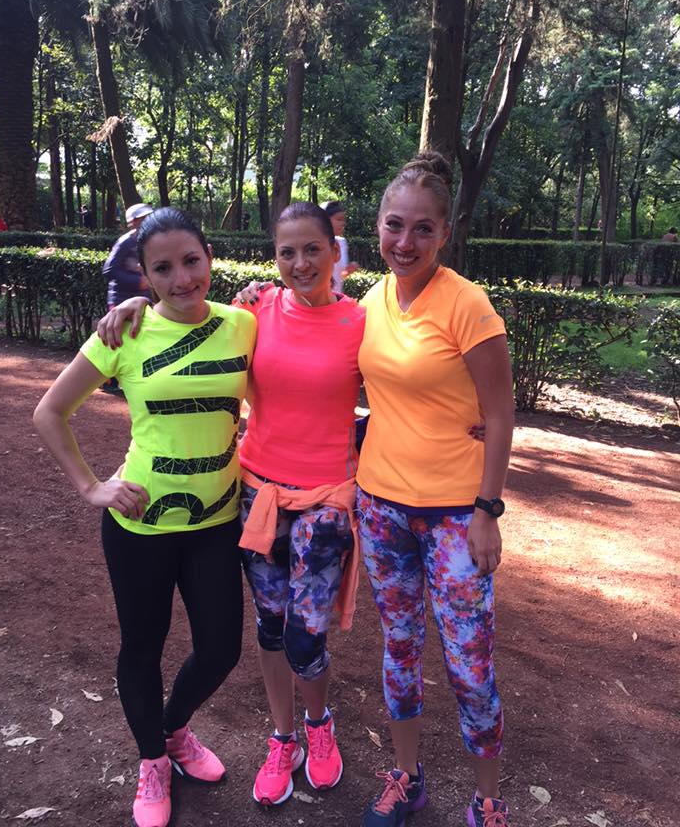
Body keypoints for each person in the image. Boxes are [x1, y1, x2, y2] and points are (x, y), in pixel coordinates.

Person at [97, 202, 367, 809]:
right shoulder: (255, 312)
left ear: (335, 252)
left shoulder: (362, 320)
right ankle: (282, 738)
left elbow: (404, 385)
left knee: (306, 634)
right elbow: (185, 315)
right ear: (274, 259)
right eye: (287, 252)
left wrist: (466, 421)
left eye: (313, 249)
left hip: (325, 501)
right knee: (270, 628)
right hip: (258, 494)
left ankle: (319, 726)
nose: (301, 262)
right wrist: (134, 303)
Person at [33, 207, 256, 827]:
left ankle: (174, 730)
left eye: (191, 261)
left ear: (209, 257)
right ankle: (153, 759)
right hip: (140, 526)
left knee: (220, 650)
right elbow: (49, 412)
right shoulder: (125, 333)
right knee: (142, 647)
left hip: (217, 522)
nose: (182, 278)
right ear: (145, 276)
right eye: (163, 268)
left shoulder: (243, 324)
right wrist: (91, 487)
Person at [356, 153, 514, 827]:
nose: (406, 241)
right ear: (378, 227)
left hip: (455, 515)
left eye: (423, 229)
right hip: (380, 507)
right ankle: (407, 776)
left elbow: (501, 413)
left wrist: (486, 510)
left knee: (470, 664)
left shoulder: (467, 305)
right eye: (395, 225)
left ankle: (487, 800)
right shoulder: (370, 302)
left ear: (445, 233)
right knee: (399, 649)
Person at [101, 202, 153, 395]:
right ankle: (107, 380)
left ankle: (134, 380)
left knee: (140, 338)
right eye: (143, 218)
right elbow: (109, 270)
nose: (148, 220)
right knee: (117, 338)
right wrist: (137, 282)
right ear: (133, 222)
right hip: (121, 298)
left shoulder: (149, 241)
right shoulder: (125, 242)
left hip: (143, 299)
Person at [319, 200, 359, 292]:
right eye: (339, 219)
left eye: (344, 220)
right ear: (325, 221)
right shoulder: (315, 245)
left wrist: (348, 270)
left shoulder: (342, 243)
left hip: (336, 297)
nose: (343, 223)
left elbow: (340, 275)